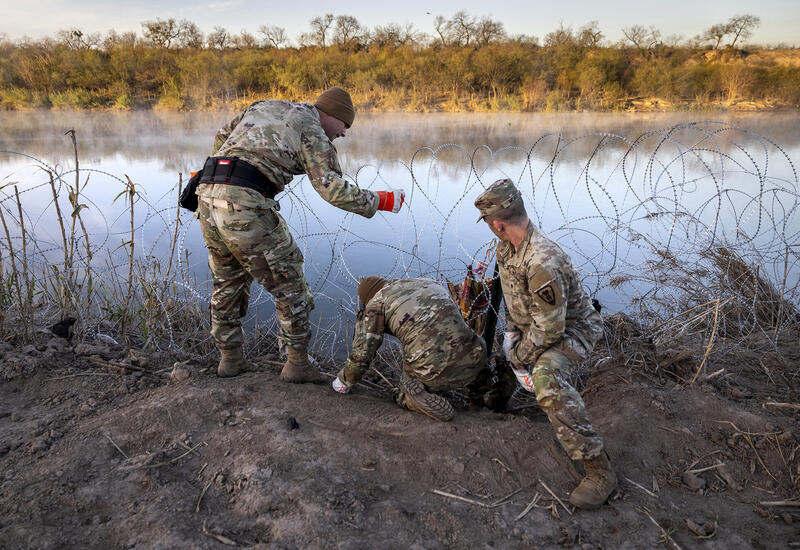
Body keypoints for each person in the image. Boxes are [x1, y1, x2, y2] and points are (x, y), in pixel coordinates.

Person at [196, 87, 405, 382]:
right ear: (331, 115)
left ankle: (230, 360)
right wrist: (382, 201)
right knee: (289, 283)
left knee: (227, 282)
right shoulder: (311, 127)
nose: (344, 134)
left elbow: (222, 135)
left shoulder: (265, 105)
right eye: (346, 125)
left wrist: (220, 171)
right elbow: (331, 188)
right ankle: (297, 365)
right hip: (245, 203)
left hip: (206, 196)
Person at [474, 178, 616, 510]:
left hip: (573, 330)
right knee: (513, 355)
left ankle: (599, 469)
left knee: (546, 377)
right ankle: (500, 400)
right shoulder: (507, 247)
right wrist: (511, 336)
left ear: (497, 223)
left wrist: (520, 355)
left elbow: (551, 331)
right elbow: (515, 299)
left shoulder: (542, 261)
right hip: (538, 325)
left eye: (488, 224)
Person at [331, 276, 489, 422]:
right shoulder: (424, 282)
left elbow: (363, 354)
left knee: (404, 389)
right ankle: (479, 400)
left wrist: (344, 381)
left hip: (437, 368)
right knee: (462, 346)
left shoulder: (377, 303)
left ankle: (413, 399)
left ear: (367, 297)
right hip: (476, 357)